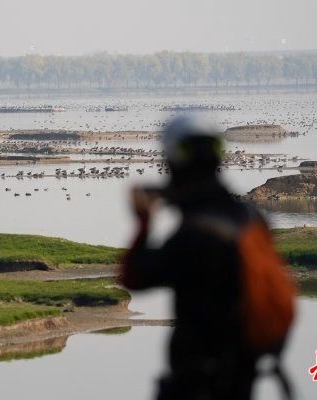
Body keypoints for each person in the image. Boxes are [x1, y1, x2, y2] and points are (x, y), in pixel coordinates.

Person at [120, 115, 294, 400]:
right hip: (243, 376)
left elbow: (134, 276)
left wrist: (143, 222)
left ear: (173, 163)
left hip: (199, 382)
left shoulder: (196, 235)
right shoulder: (251, 217)